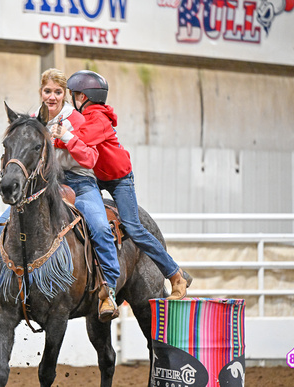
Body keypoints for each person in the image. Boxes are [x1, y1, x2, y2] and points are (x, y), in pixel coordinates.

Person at [0, 68, 121, 325]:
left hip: (80, 182)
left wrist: (65, 138)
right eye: (47, 91)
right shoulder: (31, 121)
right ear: (41, 92)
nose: (52, 96)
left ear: (65, 95)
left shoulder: (76, 118)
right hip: (44, 186)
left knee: (99, 226)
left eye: (58, 92)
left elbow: (90, 158)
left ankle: (108, 291)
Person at [50, 70, 192, 300]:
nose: (73, 100)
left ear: (84, 97)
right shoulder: (91, 116)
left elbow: (81, 139)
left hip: (119, 179)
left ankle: (176, 274)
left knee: (133, 227)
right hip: (97, 177)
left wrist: (57, 137)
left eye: (75, 95)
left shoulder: (98, 118)